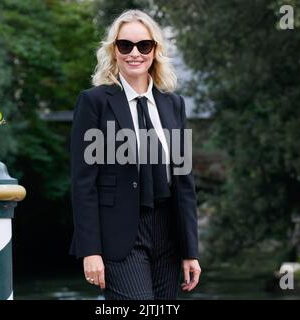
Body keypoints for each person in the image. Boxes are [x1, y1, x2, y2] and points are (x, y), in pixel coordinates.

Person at [69, 9, 201, 300]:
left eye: (144, 45)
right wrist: (90, 250)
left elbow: (184, 183)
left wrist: (190, 251)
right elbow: (83, 184)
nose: (134, 53)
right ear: (114, 51)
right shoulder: (94, 103)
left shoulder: (173, 105)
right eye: (125, 45)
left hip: (168, 234)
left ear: (155, 50)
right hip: (119, 235)